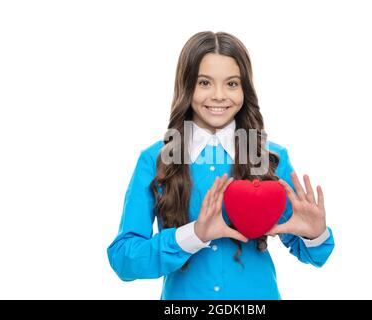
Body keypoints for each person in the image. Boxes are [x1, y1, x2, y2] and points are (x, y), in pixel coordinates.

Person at [107, 31, 335, 299]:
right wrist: (192, 235)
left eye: (231, 84)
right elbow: (124, 260)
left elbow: (315, 256)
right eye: (204, 82)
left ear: (244, 89)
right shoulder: (156, 159)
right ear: (186, 85)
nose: (218, 95)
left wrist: (314, 235)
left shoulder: (270, 156)